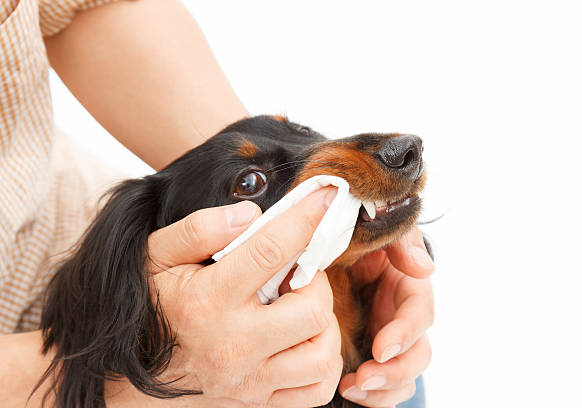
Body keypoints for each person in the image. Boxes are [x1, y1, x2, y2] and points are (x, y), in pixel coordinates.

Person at [0, 0, 435, 406]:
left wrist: (350, 222)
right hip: (97, 334)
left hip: (64, 228)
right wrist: (141, 374)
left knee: (395, 378)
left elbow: (81, 8)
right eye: (248, 183)